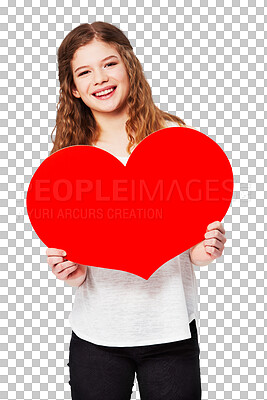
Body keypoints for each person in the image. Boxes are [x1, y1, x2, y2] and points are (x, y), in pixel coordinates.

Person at [46, 21, 227, 400]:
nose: (100, 78)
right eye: (84, 72)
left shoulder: (174, 137)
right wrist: (73, 273)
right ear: (74, 90)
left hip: (170, 330)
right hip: (97, 335)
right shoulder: (70, 158)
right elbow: (80, 255)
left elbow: (189, 243)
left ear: (129, 65)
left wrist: (203, 251)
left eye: (109, 64)